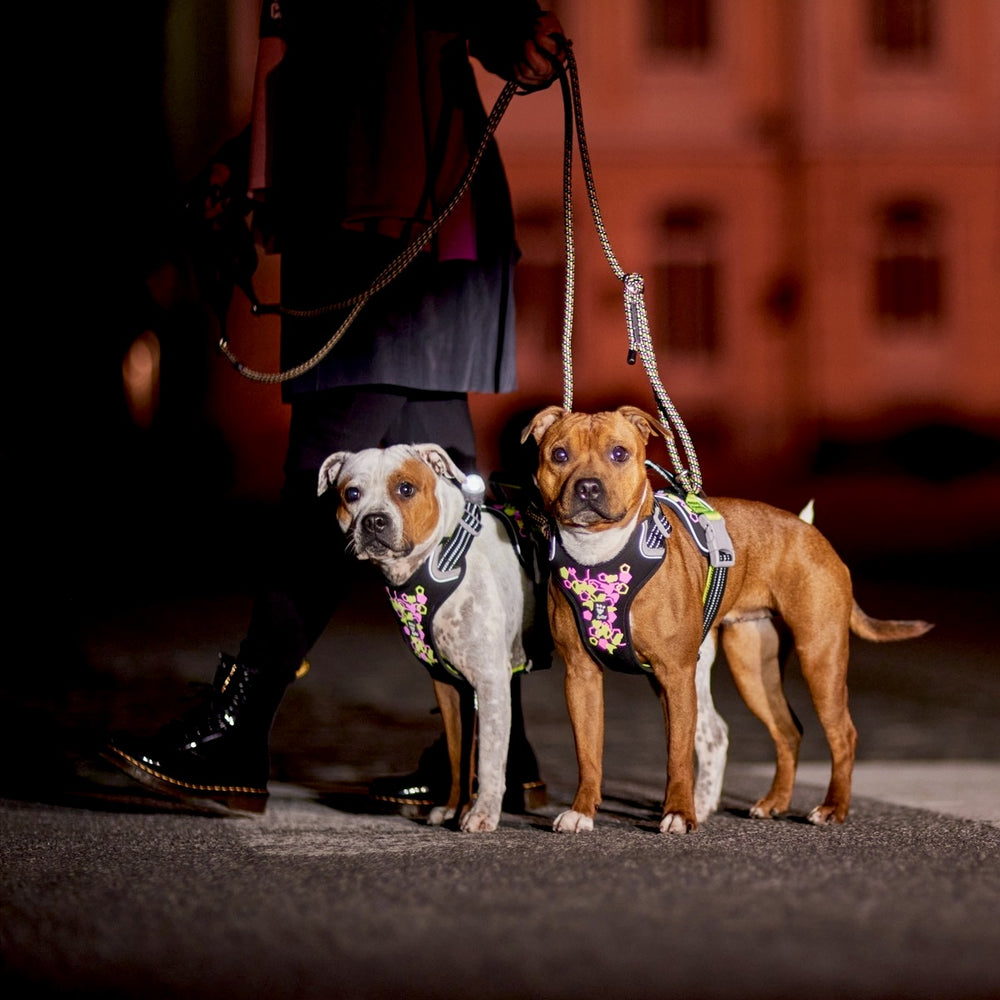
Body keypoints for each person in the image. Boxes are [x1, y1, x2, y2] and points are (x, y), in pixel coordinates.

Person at [103, 1, 566, 816]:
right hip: (373, 213)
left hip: (399, 222)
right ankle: (506, 742)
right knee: (449, 503)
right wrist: (242, 165)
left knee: (321, 493)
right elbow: (321, 64)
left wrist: (506, 24)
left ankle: (237, 727)